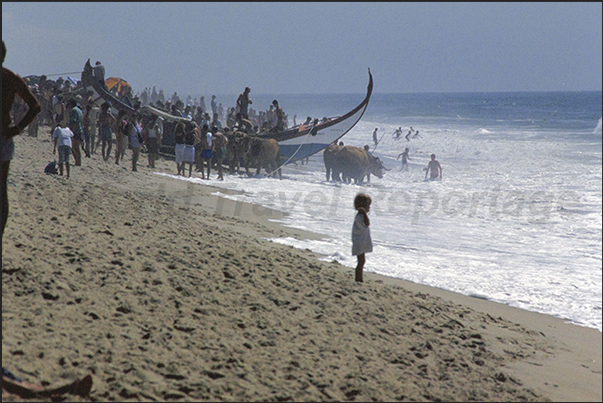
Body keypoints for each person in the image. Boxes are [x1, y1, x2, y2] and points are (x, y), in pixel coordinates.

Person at [2, 40, 42, 241]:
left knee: (1, 189)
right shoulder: (12, 78)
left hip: (3, 136)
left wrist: (17, 129)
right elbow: (35, 106)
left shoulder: (11, 79)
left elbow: (36, 106)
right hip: (5, 136)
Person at [352, 193, 372, 283]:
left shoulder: (360, 216)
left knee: (361, 261)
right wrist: (364, 212)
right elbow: (367, 223)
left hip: (359, 241)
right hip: (359, 242)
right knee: (361, 261)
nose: (369, 208)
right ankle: (358, 278)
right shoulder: (361, 216)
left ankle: (359, 278)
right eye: (368, 206)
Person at [67, 98, 85, 165]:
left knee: (75, 148)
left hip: (75, 131)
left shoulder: (74, 110)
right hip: (79, 130)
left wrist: (71, 132)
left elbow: (74, 122)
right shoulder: (79, 110)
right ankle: (78, 162)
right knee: (76, 147)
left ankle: (78, 162)